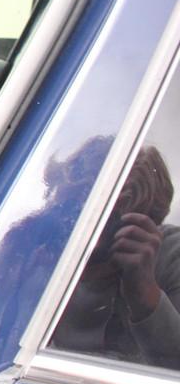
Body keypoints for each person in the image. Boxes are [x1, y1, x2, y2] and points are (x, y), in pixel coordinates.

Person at [52, 146, 180, 369]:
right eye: (75, 212)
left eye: (106, 220)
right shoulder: (36, 253)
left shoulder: (170, 257)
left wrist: (145, 293)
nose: (85, 235)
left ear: (144, 229)